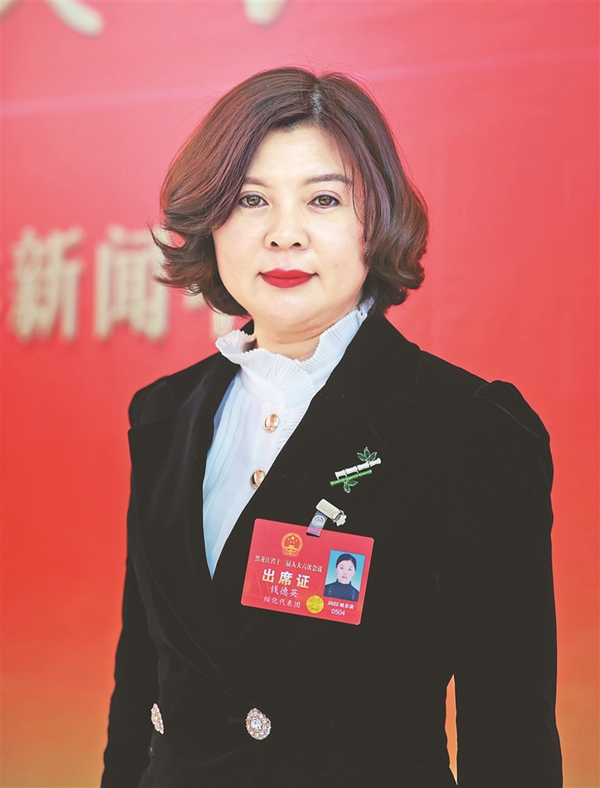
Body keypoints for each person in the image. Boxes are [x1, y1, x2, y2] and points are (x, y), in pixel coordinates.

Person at [101, 67, 562, 788]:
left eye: (323, 199)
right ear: (211, 221)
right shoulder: (164, 413)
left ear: (375, 220)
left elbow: (511, 733)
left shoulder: (468, 431)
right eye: (250, 199)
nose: (284, 235)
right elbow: (141, 688)